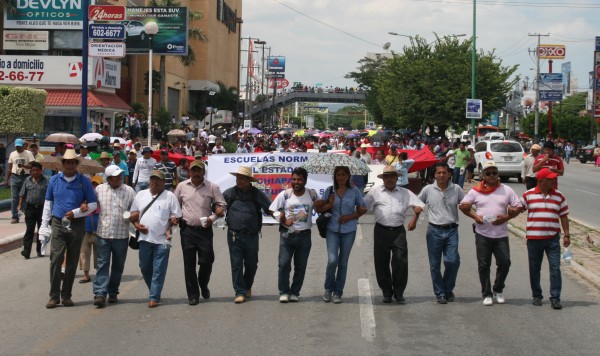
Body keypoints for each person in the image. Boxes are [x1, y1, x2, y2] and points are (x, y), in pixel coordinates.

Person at [38, 149, 98, 308]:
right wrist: (44, 225)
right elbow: (48, 203)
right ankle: (53, 296)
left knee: (72, 261)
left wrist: (77, 212)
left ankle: (66, 295)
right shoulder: (54, 180)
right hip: (58, 222)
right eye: (67, 162)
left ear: (76, 164)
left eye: (73, 162)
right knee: (56, 258)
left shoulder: (83, 181)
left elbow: (93, 205)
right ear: (62, 164)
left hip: (77, 224)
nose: (70, 165)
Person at [459, 161, 521, 306]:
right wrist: (475, 217)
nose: (492, 175)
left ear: (498, 174)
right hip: (482, 234)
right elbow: (463, 206)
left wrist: (507, 217)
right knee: (483, 265)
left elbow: (518, 207)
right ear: (483, 175)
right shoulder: (475, 191)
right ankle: (486, 293)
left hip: (501, 234)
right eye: (488, 173)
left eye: (494, 172)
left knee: (505, 263)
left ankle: (498, 289)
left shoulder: (507, 190)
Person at [174, 161, 226, 306]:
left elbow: (222, 205)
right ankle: (193, 294)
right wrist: (175, 218)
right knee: (189, 263)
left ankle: (203, 283)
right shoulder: (181, 186)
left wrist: (213, 218)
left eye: (199, 170)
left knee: (207, 260)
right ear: (189, 172)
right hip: (188, 230)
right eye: (193, 170)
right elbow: (174, 205)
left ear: (203, 172)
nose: (196, 173)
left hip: (205, 230)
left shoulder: (212, 187)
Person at [520, 168, 570, 310]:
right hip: (534, 239)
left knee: (555, 268)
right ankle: (537, 295)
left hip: (553, 239)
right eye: (550, 179)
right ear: (541, 181)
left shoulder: (559, 196)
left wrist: (566, 234)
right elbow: (517, 208)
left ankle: (555, 297)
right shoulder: (528, 195)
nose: (553, 180)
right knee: (534, 268)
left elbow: (564, 216)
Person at [130, 170, 182, 308]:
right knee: (145, 267)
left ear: (163, 182)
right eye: (153, 179)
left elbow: (176, 215)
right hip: (144, 238)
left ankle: (154, 296)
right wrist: (137, 226)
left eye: (158, 179)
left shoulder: (169, 196)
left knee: (159, 269)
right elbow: (132, 216)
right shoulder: (141, 195)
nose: (155, 181)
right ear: (149, 180)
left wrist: (173, 220)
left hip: (163, 239)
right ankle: (153, 289)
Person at [315, 166, 367, 304]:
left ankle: (338, 292)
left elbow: (363, 208)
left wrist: (351, 216)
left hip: (349, 230)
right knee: (332, 260)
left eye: (344, 175)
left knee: (343, 263)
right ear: (335, 176)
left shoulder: (354, 191)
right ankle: (328, 289)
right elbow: (319, 209)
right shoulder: (329, 191)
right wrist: (328, 203)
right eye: (338, 175)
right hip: (332, 229)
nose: (341, 177)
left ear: (348, 176)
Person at [222, 166, 272, 303]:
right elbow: (218, 205)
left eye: (242, 178)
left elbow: (270, 209)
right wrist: (217, 209)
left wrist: (281, 216)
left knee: (252, 264)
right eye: (238, 178)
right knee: (236, 264)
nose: (239, 180)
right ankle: (240, 292)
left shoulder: (257, 194)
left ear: (249, 180)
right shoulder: (229, 193)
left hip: (252, 235)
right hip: (234, 235)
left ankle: (247, 286)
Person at [417, 162, 465, 304]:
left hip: (451, 230)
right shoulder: (428, 189)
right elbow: (417, 203)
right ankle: (440, 293)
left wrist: (478, 216)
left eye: (444, 172)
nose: (442, 175)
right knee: (434, 264)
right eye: (439, 173)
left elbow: (466, 205)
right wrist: (416, 211)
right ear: (434, 175)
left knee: (453, 261)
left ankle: (448, 288)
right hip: (434, 231)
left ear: (450, 174)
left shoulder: (456, 189)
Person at [269, 167, 318, 303]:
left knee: (300, 266)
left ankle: (295, 292)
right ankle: (284, 292)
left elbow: (319, 208)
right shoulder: (285, 195)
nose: (296, 182)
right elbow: (272, 210)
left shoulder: (312, 195)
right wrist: (282, 219)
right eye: (294, 179)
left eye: (300, 179)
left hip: (305, 235)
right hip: (287, 235)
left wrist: (325, 204)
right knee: (284, 264)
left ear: (305, 180)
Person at [91, 166, 136, 307]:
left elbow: (136, 209)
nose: (119, 178)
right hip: (104, 233)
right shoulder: (99, 190)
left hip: (121, 234)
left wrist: (134, 217)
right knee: (102, 264)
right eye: (115, 177)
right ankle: (100, 293)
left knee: (118, 265)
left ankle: (113, 291)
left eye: (120, 176)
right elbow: (93, 205)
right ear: (109, 178)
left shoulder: (129, 191)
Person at [17, 161, 48, 259]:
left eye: (37, 170)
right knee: (29, 230)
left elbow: (50, 195)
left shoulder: (46, 181)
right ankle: (26, 251)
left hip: (42, 210)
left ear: (41, 171)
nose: (35, 172)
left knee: (41, 231)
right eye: (33, 170)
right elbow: (22, 193)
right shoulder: (27, 180)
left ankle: (40, 250)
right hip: (29, 209)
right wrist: (20, 204)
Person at [78, 176, 103, 284]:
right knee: (84, 252)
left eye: (96, 184)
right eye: (92, 184)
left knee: (99, 253)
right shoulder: (84, 196)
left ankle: (99, 274)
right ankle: (86, 275)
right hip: (85, 228)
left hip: (99, 229)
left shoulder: (103, 198)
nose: (94, 187)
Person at [5, 138, 35, 223]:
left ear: (23, 146)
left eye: (19, 146)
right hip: (15, 177)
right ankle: (15, 216)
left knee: (26, 197)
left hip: (25, 177)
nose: (18, 148)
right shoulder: (12, 154)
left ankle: (27, 215)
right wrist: (7, 180)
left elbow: (32, 166)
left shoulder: (28, 153)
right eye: (16, 146)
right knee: (14, 198)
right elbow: (10, 169)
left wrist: (24, 166)